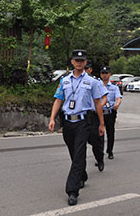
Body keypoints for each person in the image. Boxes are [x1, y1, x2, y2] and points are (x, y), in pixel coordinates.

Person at [48, 49, 107, 206]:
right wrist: (52, 118)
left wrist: (101, 124)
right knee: (74, 153)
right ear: (72, 62)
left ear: (85, 62)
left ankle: (72, 191)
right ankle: (82, 174)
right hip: (68, 123)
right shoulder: (64, 81)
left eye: (82, 61)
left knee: (79, 153)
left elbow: (97, 103)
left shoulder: (92, 82)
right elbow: (58, 100)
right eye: (76, 60)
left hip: (83, 122)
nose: (79, 63)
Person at [85, 60, 107, 172]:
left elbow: (104, 98)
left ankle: (100, 159)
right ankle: (80, 171)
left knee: (96, 142)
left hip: (93, 116)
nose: (85, 70)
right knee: (79, 144)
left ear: (90, 70)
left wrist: (98, 106)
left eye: (86, 68)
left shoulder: (96, 82)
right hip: (82, 116)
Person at [99, 65, 122, 159]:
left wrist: (117, 103)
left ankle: (110, 151)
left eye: (106, 73)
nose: (104, 75)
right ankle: (99, 154)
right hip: (99, 112)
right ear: (100, 75)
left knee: (110, 132)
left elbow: (118, 98)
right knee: (99, 134)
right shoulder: (97, 86)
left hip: (110, 112)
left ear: (110, 74)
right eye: (103, 73)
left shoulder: (114, 87)